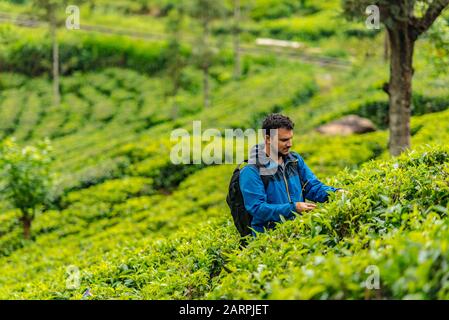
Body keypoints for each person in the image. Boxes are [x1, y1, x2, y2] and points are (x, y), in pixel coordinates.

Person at [239, 113, 342, 235]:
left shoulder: (294, 160)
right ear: (267, 139)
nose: (290, 144)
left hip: (299, 231)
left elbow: (312, 187)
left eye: (290, 138)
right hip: (271, 238)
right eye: (284, 140)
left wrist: (335, 193)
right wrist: (293, 208)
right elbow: (257, 209)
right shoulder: (251, 171)